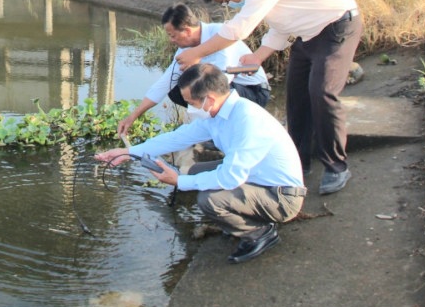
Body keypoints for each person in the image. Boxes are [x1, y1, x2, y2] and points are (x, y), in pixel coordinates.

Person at [176, 0, 363, 196]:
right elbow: (282, 26)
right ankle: (299, 161)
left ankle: (336, 166)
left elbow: (238, 29)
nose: (230, 4)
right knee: (296, 98)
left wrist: (196, 53)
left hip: (337, 27)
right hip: (308, 36)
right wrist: (258, 57)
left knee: (322, 92)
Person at [97, 64, 306, 264]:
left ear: (210, 99)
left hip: (282, 196)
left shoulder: (248, 121)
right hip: (256, 179)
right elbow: (176, 138)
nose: (189, 108)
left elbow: (230, 178)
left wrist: (179, 181)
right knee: (195, 172)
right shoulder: (219, 113)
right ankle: (244, 218)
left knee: (210, 200)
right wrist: (129, 152)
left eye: (192, 102)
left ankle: (260, 233)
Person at [117, 3, 270, 139]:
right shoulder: (185, 49)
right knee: (176, 89)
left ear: (187, 31)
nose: (171, 40)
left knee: (204, 87)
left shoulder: (221, 35)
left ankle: (223, 131)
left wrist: (197, 65)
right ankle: (210, 128)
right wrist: (132, 117)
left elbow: (222, 82)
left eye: (173, 35)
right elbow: (164, 84)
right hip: (224, 90)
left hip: (252, 91)